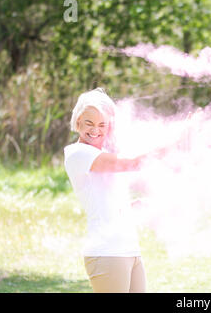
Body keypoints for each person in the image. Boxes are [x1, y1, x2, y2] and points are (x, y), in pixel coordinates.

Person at [64, 88, 165, 293]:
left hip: (129, 250)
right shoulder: (79, 154)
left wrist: (131, 206)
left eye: (102, 124)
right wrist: (173, 143)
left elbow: (103, 201)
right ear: (78, 121)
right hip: (107, 252)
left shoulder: (101, 154)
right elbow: (133, 163)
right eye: (89, 123)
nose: (95, 130)